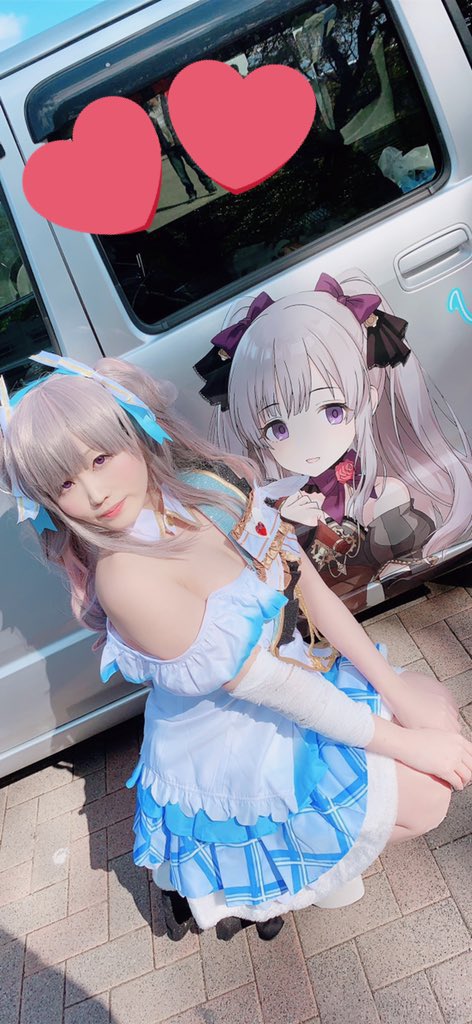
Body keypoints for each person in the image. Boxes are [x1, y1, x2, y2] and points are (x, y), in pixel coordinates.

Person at [1, 351, 470, 944]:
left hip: (295, 680)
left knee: (434, 707)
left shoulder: (200, 488)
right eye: (63, 484)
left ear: (133, 431)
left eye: (100, 458)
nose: (94, 494)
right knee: (426, 794)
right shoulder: (125, 577)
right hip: (236, 735)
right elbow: (269, 686)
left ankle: (306, 870)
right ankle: (274, 882)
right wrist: (409, 743)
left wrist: (397, 692)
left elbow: (302, 579)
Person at [196, 269, 472, 611]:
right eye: (278, 428)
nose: (309, 444)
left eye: (333, 411)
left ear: (369, 399)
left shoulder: (385, 495)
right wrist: (287, 523)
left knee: (390, 498)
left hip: (364, 552)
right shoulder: (288, 505)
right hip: (326, 589)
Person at [146, 94, 217, 202]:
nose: (148, 102)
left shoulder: (166, 103)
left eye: (149, 99)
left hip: (180, 141)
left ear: (155, 97)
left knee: (194, 165)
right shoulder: (149, 113)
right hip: (169, 147)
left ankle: (209, 185)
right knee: (181, 174)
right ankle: (191, 193)